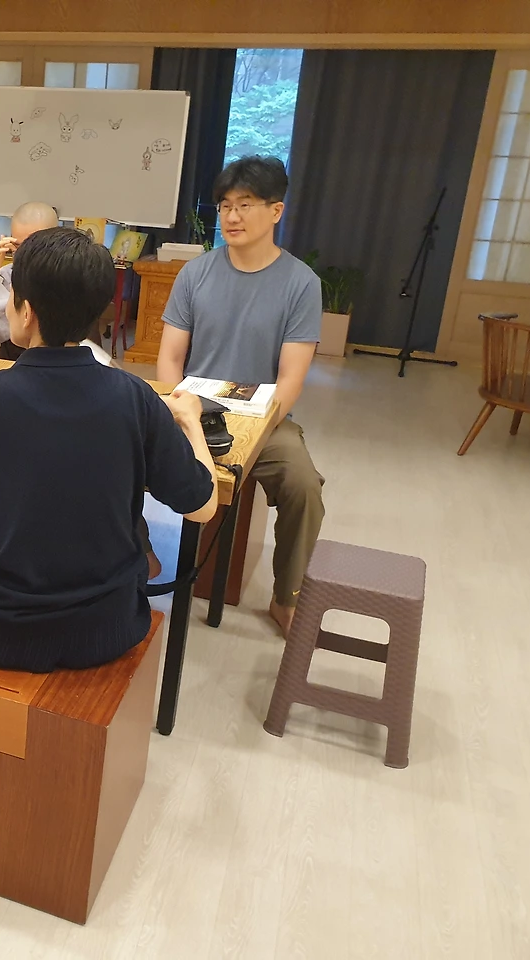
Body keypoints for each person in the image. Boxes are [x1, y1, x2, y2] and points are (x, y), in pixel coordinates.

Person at [0, 227, 217, 672]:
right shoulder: (135, 396)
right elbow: (201, 508)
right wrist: (192, 421)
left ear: (26, 312)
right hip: (107, 627)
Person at [156, 155, 325, 637]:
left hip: (262, 420)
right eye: (225, 205)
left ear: (276, 211)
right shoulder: (195, 274)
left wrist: (257, 428)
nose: (231, 216)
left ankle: (287, 597)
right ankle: (136, 556)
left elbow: (291, 378)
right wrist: (178, 409)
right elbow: (170, 359)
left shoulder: (301, 284)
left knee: (302, 485)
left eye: (245, 204)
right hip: (190, 411)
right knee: (116, 446)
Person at [0, 201, 59, 360]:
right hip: (13, 359)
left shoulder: (70, 272)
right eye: (18, 245)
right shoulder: (8, 274)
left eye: (34, 245)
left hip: (58, 359)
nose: (25, 253)